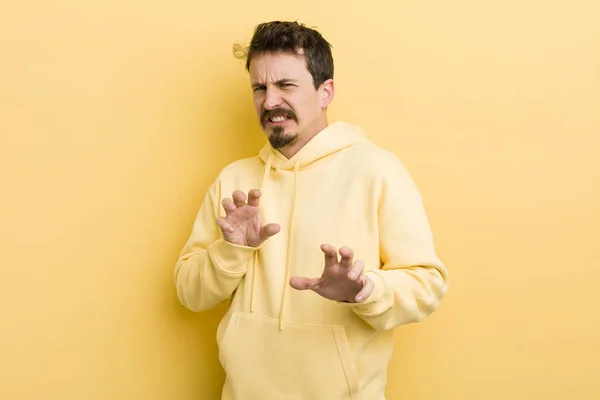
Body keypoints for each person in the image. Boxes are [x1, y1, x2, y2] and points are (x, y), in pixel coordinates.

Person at [174, 20, 449, 400]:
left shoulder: (377, 171)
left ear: (325, 92)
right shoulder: (234, 180)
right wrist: (230, 250)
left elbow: (427, 284)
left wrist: (364, 290)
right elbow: (190, 293)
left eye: (286, 85)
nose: (270, 102)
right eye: (259, 88)